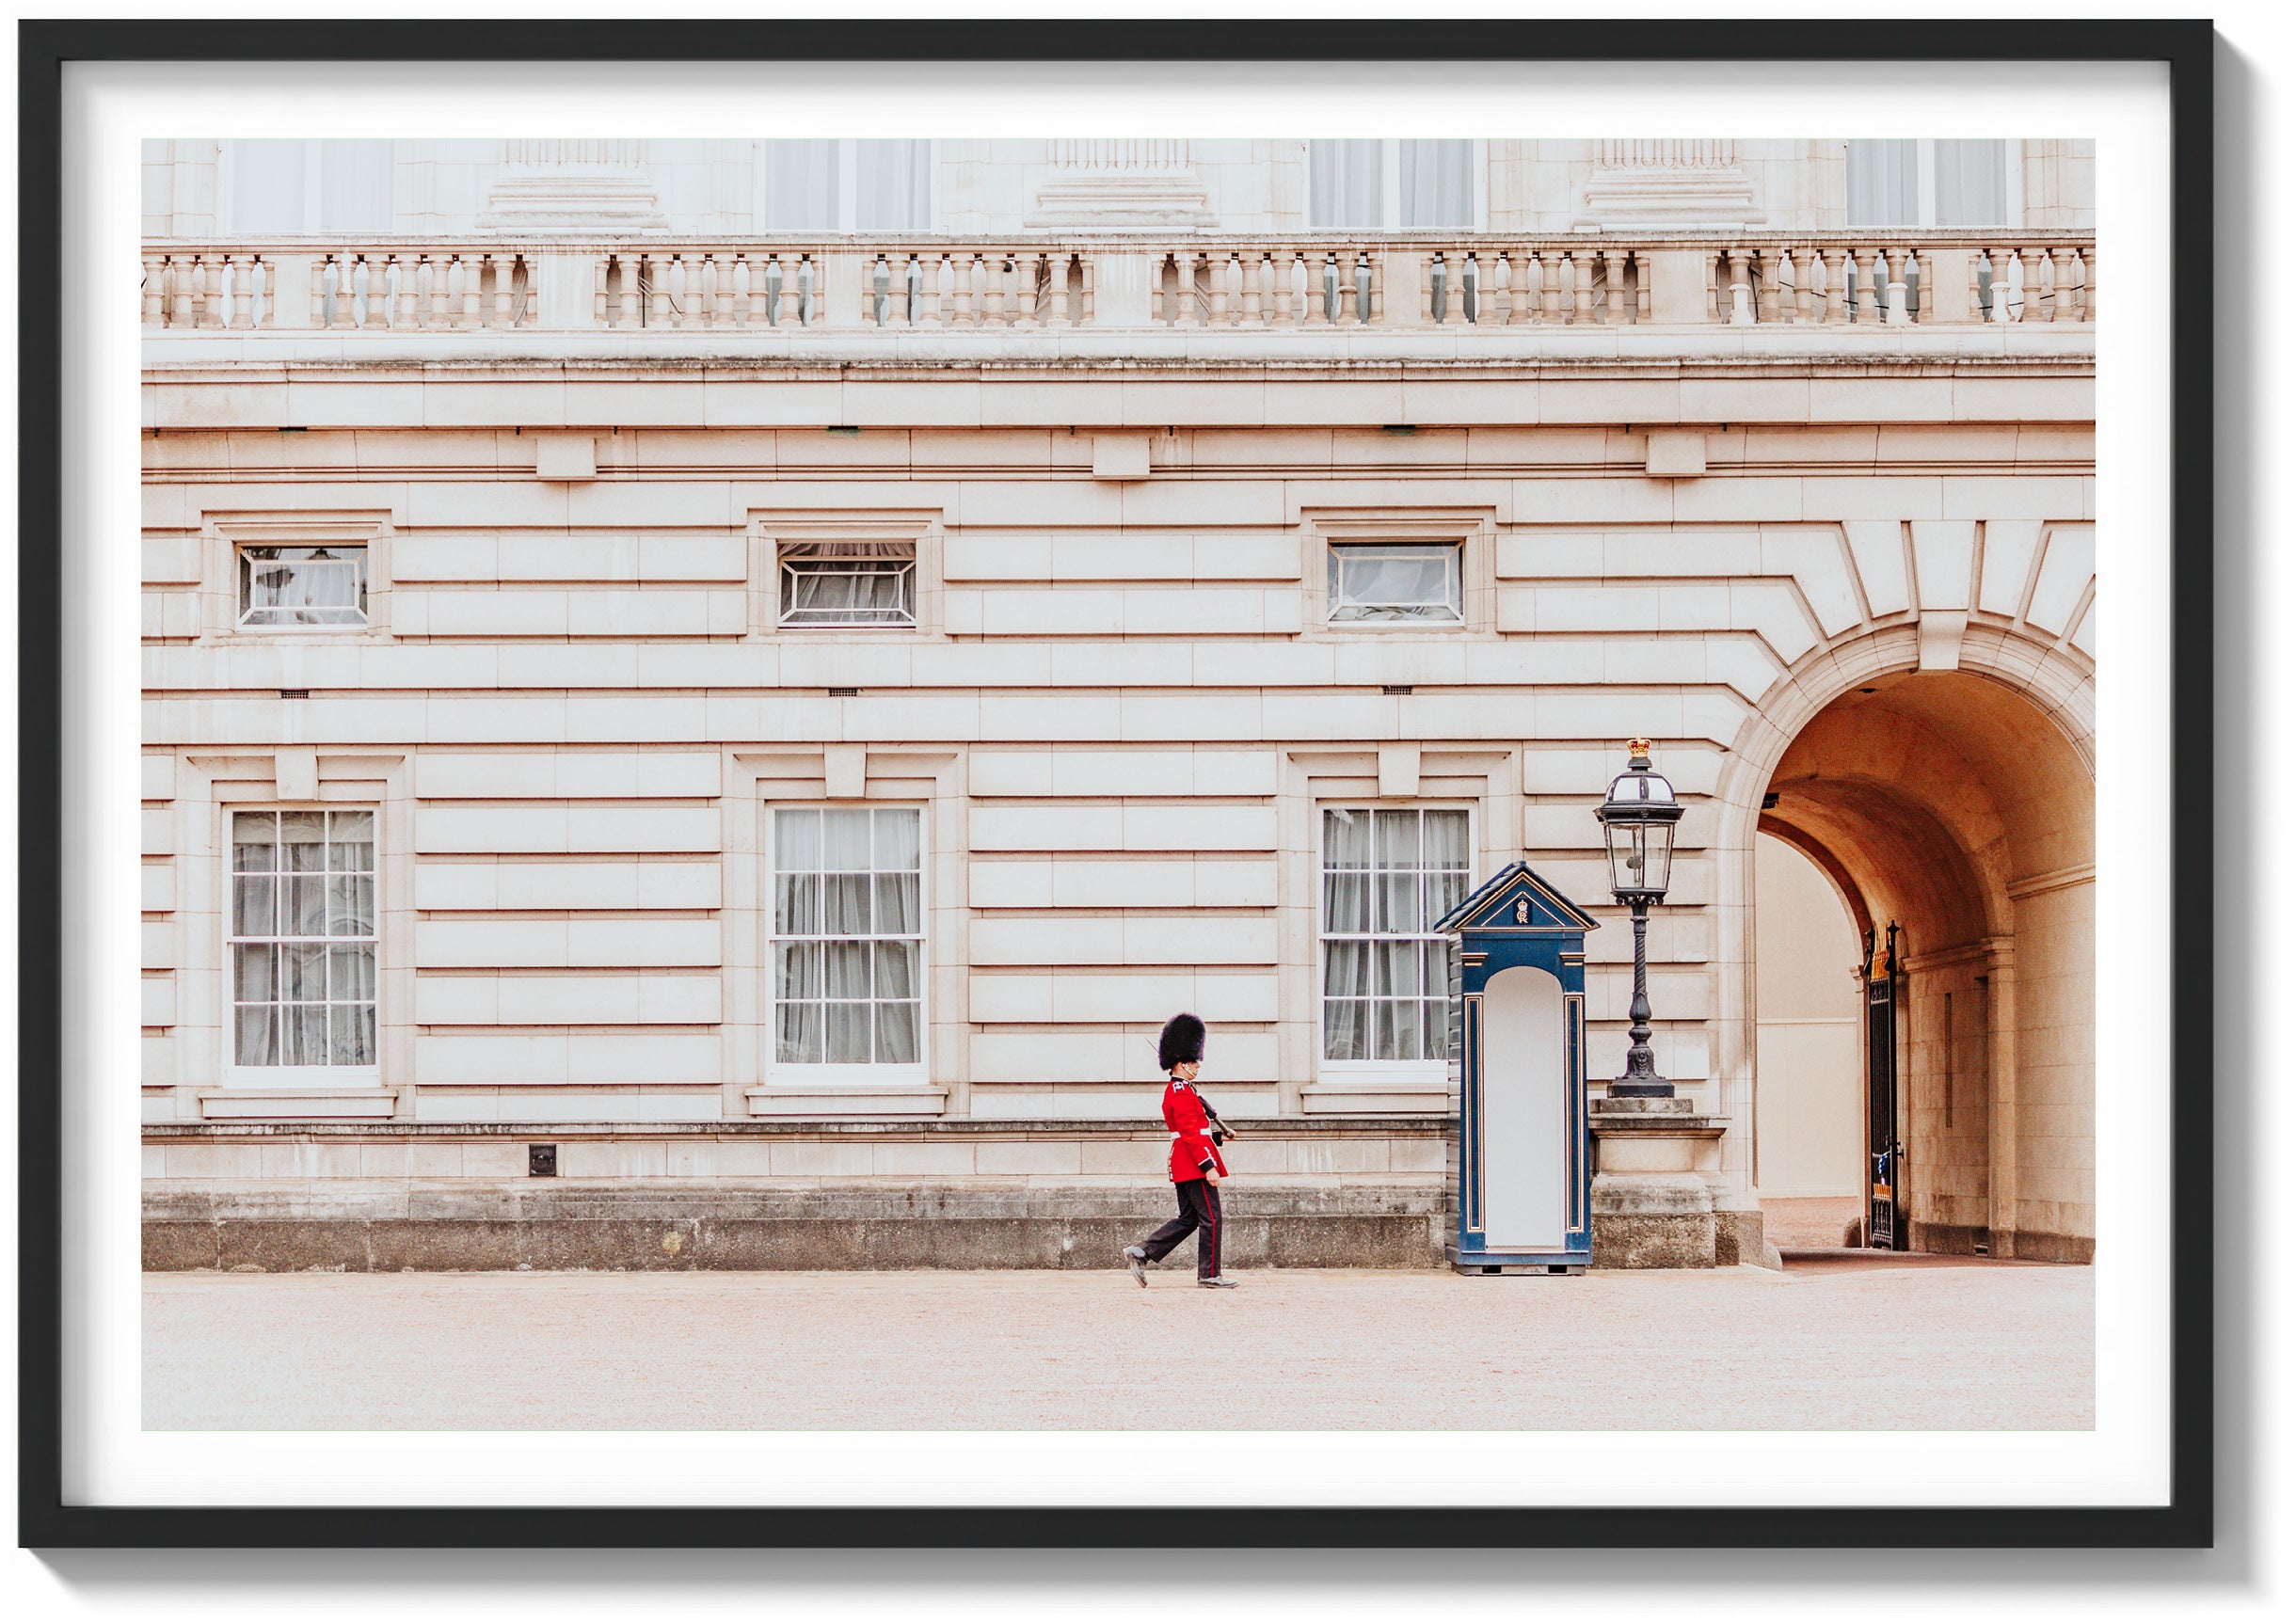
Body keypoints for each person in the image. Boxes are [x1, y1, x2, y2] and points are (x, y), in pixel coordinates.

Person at [1123, 1012, 1237, 1289]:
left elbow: (1194, 1130)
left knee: (1188, 1219)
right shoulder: (1182, 1092)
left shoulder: (1181, 1090)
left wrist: (1218, 1136)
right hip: (1194, 1163)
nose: (1198, 1065)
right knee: (1212, 1218)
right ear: (1181, 1063)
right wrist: (1208, 1166)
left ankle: (1143, 1252)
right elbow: (1189, 1134)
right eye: (1194, 1061)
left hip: (1186, 1160)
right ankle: (1209, 1274)